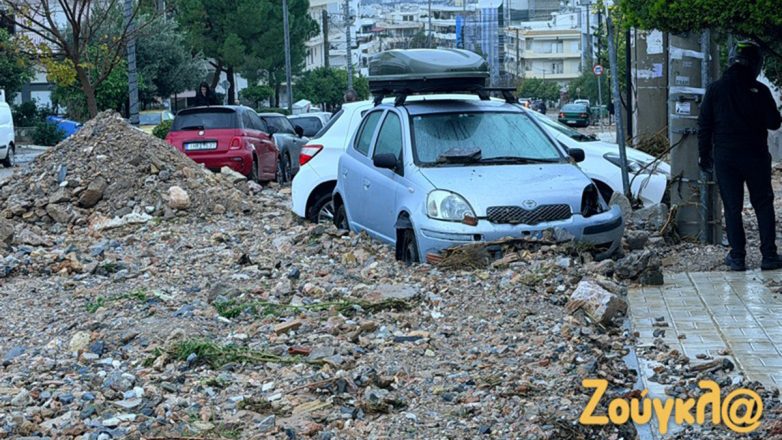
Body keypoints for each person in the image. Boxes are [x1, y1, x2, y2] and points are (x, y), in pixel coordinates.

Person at [698, 41, 782, 271]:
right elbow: (774, 123)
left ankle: (737, 257)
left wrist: (704, 157)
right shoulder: (760, 91)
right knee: (763, 205)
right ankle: (769, 256)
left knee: (732, 207)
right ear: (755, 64)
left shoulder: (715, 90)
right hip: (756, 156)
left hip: (726, 158)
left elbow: (704, 126)